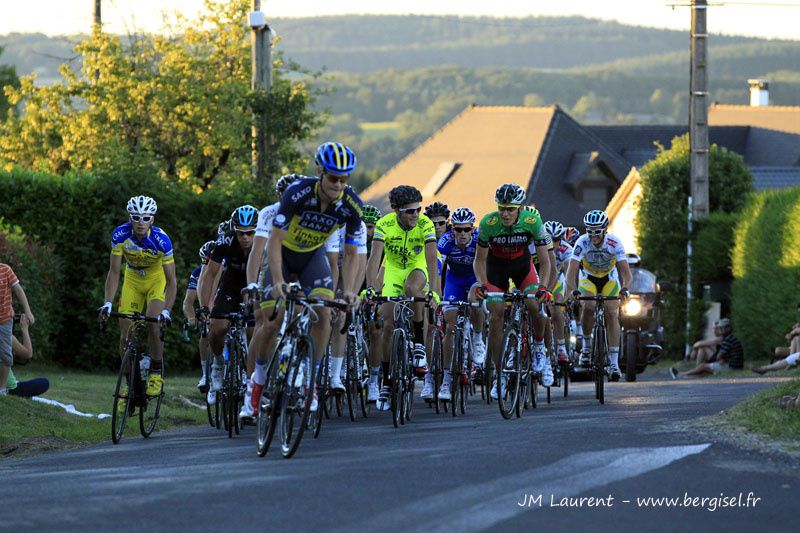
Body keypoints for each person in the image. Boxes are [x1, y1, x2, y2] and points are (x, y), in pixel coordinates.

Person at [247, 141, 364, 414]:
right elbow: (274, 242)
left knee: (323, 315)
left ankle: (308, 382)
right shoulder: (297, 194)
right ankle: (258, 381)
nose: (338, 184)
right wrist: (277, 280)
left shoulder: (351, 206)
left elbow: (351, 253)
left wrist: (348, 291)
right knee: (272, 321)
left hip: (313, 258)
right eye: (333, 178)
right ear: (320, 172)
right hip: (284, 256)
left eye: (343, 179)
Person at [473, 183, 552, 399]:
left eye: (510, 209)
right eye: (501, 208)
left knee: (535, 305)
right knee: (496, 315)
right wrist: (482, 284)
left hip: (522, 267)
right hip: (496, 268)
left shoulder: (532, 221)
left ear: (520, 207)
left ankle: (538, 345)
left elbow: (545, 262)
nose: (505, 213)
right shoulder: (488, 223)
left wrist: (543, 287)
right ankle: (501, 376)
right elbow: (479, 260)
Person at [366, 185, 440, 409]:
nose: (416, 214)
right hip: (393, 270)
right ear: (396, 210)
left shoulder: (425, 224)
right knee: (387, 322)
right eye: (409, 211)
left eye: (418, 209)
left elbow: (430, 263)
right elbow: (374, 260)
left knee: (412, 290)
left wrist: (435, 292)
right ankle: (387, 382)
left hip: (417, 269)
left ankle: (418, 341)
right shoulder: (384, 224)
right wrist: (371, 289)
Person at [99, 195, 177, 403]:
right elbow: (114, 273)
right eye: (136, 217)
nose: (141, 222)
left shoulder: (162, 240)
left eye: (146, 218)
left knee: (153, 321)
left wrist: (166, 310)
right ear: (130, 218)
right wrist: (107, 302)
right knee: (124, 335)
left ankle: (156, 370)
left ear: (152, 219)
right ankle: (129, 385)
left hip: (155, 280)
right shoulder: (120, 235)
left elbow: (172, 281)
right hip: (132, 280)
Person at [197, 205, 258, 405]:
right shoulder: (225, 241)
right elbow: (210, 275)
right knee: (217, 327)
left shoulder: (263, 243)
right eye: (241, 232)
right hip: (231, 284)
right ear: (234, 230)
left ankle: (253, 382)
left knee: (253, 334)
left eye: (250, 232)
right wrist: (205, 306)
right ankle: (218, 364)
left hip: (254, 284)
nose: (246, 237)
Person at [565, 210, 632, 381]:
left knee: (612, 313)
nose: (593, 235)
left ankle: (614, 363)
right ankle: (587, 347)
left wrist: (624, 289)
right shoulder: (582, 242)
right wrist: (573, 290)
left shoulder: (614, 243)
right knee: (588, 306)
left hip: (609, 279)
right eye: (590, 230)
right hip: (588, 278)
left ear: (604, 230)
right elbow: (571, 272)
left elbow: (626, 274)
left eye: (597, 231)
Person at [432, 207, 484, 401]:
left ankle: (478, 338)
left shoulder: (479, 240)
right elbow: (438, 269)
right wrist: (436, 294)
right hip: (454, 281)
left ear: (472, 229)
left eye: (466, 229)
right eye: (458, 229)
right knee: (450, 328)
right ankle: (446, 379)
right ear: (452, 229)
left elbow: (485, 264)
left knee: (476, 302)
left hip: (474, 278)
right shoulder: (445, 241)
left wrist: (481, 285)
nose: (462, 234)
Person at [183, 240, 216, 391]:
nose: (207, 264)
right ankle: (205, 374)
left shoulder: (224, 270)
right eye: (204, 261)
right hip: (206, 309)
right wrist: (192, 319)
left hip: (220, 303)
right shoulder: (197, 273)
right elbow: (188, 302)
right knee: (205, 334)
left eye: (210, 260)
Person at [0, 262, 35, 396]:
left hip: (4, 320)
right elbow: (27, 354)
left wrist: (28, 311)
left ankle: (2, 389)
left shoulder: (5, 270)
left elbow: (19, 290)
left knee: (6, 358)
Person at [671, 318, 743, 378]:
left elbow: (718, 356)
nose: (721, 330)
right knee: (704, 371)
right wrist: (722, 358)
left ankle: (681, 374)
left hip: (731, 366)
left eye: (722, 328)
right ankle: (686, 376)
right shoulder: (730, 338)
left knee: (703, 366)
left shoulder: (727, 339)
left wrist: (721, 358)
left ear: (728, 328)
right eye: (720, 328)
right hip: (733, 365)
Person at [7, 314, 49, 397]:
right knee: (44, 382)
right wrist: (25, 329)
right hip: (9, 388)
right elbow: (28, 354)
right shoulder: (5, 335)